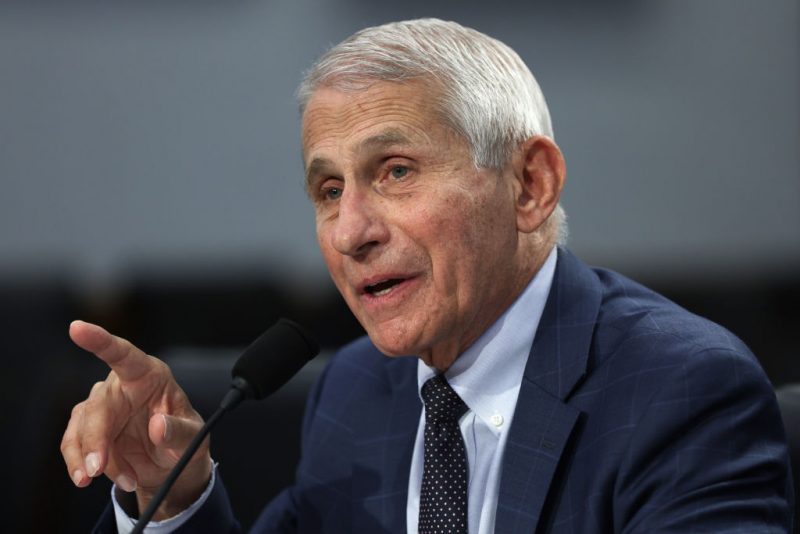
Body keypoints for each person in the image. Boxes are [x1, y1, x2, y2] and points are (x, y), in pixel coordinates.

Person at [61, 18, 793, 533]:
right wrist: (174, 495)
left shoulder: (682, 391)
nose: (351, 231)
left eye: (397, 171)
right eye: (328, 191)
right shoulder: (356, 393)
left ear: (530, 186)